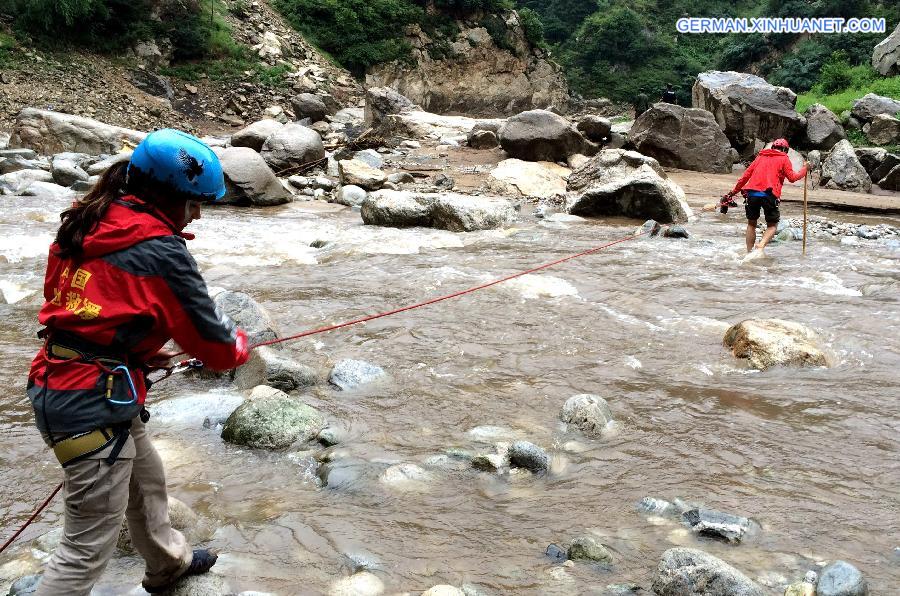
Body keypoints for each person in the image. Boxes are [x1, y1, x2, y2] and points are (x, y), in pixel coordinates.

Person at [27, 129, 250, 595]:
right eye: (193, 203)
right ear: (167, 196)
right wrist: (239, 348)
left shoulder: (89, 220)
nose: (198, 213)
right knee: (84, 547)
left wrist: (136, 351)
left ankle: (169, 562)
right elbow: (213, 342)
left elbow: (74, 302)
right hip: (91, 400)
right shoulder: (162, 250)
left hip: (69, 380)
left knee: (146, 479)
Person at [725, 138, 808, 253]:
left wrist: (732, 193)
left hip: (752, 195)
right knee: (772, 226)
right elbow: (793, 178)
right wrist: (805, 169)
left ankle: (749, 251)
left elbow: (745, 177)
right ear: (785, 150)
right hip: (770, 195)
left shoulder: (760, 157)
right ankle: (761, 245)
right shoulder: (784, 158)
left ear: (773, 147)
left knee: (751, 224)